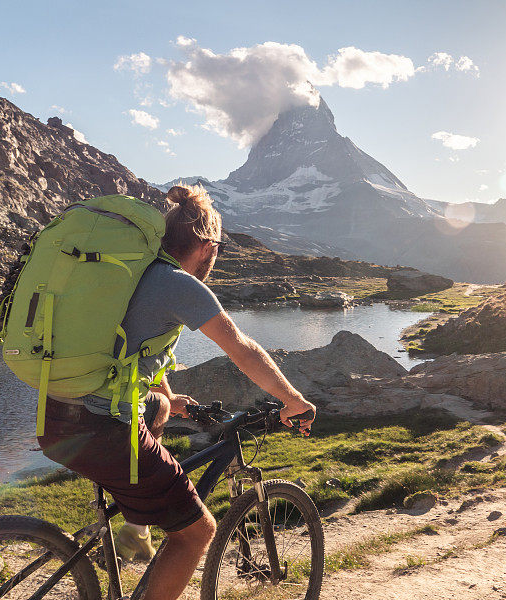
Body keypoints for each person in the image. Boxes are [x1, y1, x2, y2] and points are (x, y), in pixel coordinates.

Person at [37, 183, 317, 600]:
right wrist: (294, 400)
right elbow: (241, 346)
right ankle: (140, 529)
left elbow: (138, 347)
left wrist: (171, 396)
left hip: (55, 416)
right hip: (105, 430)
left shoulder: (131, 272)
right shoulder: (177, 283)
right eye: (217, 250)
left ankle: (136, 529)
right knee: (198, 532)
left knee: (159, 407)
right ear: (206, 246)